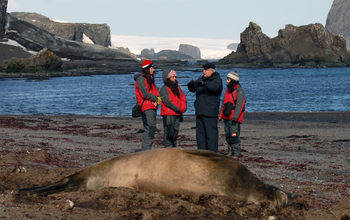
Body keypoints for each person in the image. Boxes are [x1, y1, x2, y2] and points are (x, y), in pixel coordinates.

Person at [187, 63, 223, 152]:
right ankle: (201, 153)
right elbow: (194, 89)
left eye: (206, 69)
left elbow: (215, 88)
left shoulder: (217, 80)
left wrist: (204, 84)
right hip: (200, 112)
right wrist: (191, 86)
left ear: (212, 71)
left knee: (211, 136)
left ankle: (212, 154)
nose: (203, 71)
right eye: (203, 69)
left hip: (210, 113)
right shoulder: (201, 79)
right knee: (200, 136)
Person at [218, 71, 246, 159]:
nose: (227, 81)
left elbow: (240, 105)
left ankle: (236, 153)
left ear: (233, 80)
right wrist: (220, 115)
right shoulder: (228, 91)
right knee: (228, 135)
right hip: (227, 117)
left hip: (234, 118)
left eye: (228, 79)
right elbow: (223, 103)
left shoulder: (240, 91)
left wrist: (235, 117)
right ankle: (230, 151)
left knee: (234, 135)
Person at [134, 60, 160, 150]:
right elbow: (144, 93)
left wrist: (159, 97)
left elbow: (155, 90)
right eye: (152, 68)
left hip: (152, 106)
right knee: (150, 128)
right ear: (147, 69)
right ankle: (146, 150)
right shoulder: (141, 79)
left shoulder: (150, 78)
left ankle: (146, 149)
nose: (153, 70)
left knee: (150, 128)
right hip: (146, 106)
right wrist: (155, 98)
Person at [160, 69, 187, 148]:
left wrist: (183, 107)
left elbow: (182, 97)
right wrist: (179, 109)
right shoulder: (164, 89)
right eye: (172, 76)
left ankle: (174, 149)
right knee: (169, 133)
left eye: (175, 76)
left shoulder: (177, 87)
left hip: (177, 113)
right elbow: (167, 102)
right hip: (169, 114)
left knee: (175, 132)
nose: (174, 78)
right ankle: (168, 150)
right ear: (167, 77)